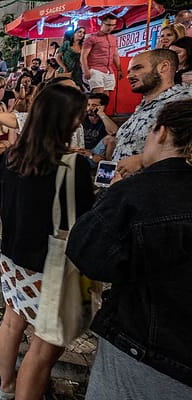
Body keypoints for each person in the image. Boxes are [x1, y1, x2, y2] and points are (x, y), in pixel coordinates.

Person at [66, 99, 192, 399]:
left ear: (161, 133)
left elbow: (87, 251)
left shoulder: (137, 194)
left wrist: (112, 194)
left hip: (146, 350)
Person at [0, 84, 94, 400]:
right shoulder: (75, 166)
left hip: (12, 258)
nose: (81, 121)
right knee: (44, 344)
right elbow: (84, 220)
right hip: (50, 265)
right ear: (65, 120)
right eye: (78, 116)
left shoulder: (8, 157)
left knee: (12, 322)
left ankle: (6, 386)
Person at [112, 49, 192, 176]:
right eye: (129, 71)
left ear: (163, 67)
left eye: (137, 68)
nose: (130, 76)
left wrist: (142, 160)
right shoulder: (142, 106)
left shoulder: (185, 99)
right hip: (124, 189)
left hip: (160, 189)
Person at [81, 14, 122, 95]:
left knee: (105, 97)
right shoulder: (91, 38)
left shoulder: (114, 39)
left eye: (113, 25)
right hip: (95, 69)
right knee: (97, 94)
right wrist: (85, 70)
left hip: (108, 70)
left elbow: (115, 55)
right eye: (108, 25)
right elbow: (83, 56)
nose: (110, 27)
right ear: (102, 24)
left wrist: (119, 69)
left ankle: (101, 108)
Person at [74, 93, 118, 164]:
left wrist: (101, 114)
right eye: (88, 105)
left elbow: (114, 132)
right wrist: (90, 155)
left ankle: (107, 167)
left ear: (103, 107)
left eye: (94, 105)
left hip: (96, 151)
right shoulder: (81, 118)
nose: (89, 108)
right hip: (81, 150)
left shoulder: (105, 119)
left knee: (111, 139)